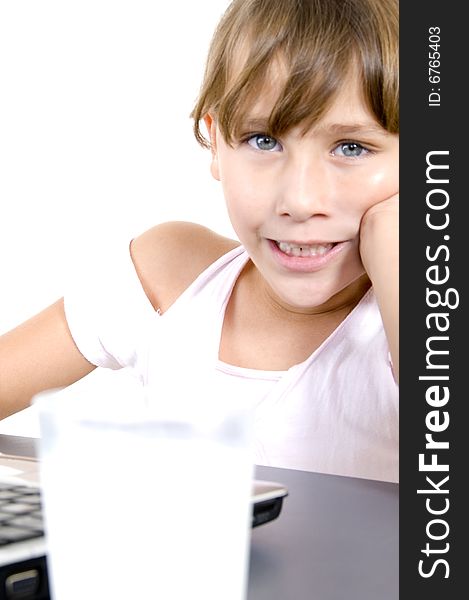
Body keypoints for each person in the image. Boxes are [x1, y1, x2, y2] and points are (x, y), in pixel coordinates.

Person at [0, 0, 398, 482]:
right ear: (214, 142)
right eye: (263, 140)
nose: (299, 199)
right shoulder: (174, 277)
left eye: (352, 148)